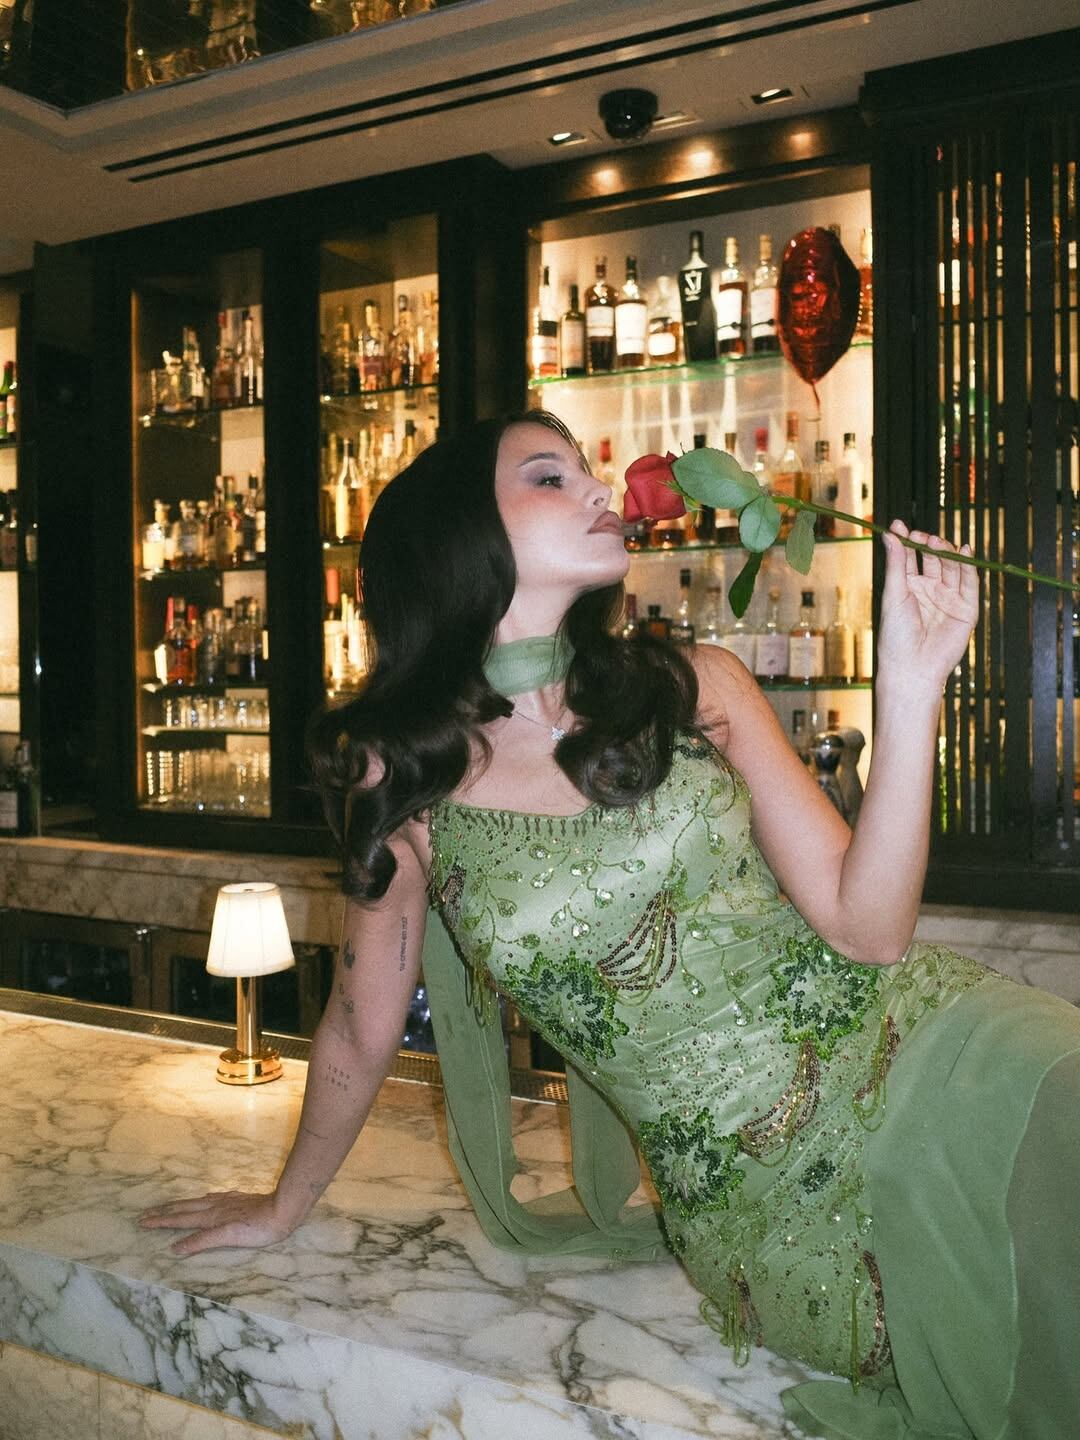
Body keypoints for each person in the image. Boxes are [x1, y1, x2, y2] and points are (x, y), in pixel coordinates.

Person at [141, 412, 1080, 1439]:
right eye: (552, 477)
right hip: (770, 1212)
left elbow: (872, 931)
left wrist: (914, 684)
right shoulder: (402, 775)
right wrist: (285, 1206)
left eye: (589, 471)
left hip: (932, 1048)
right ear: (463, 537)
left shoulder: (694, 685)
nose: (600, 490)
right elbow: (364, 1025)